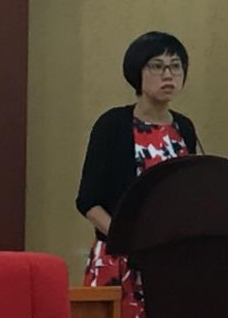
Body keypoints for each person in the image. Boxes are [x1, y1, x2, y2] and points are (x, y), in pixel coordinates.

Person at [75, 31, 198, 318]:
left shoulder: (184, 128)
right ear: (136, 73)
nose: (168, 75)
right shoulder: (113, 125)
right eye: (157, 66)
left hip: (168, 263)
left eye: (176, 66)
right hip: (118, 259)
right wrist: (129, 239)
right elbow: (88, 201)